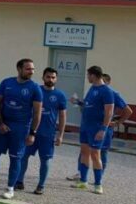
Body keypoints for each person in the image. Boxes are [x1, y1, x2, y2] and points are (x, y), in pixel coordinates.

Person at [0, 58, 43, 200]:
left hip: (21, 127)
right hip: (3, 125)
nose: (31, 72)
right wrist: (1, 123)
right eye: (28, 69)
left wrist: (32, 133)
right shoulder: (6, 83)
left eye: (33, 69)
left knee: (15, 158)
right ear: (19, 69)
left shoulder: (35, 88)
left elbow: (37, 113)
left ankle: (10, 188)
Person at [15, 67, 67, 195]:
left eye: (53, 77)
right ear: (43, 77)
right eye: (48, 77)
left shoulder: (60, 95)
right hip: (31, 131)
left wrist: (60, 135)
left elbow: (62, 116)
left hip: (48, 134)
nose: (50, 79)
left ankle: (41, 185)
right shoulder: (35, 90)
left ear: (56, 79)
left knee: (45, 160)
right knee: (24, 157)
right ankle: (19, 181)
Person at [72, 66, 116, 194]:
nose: (87, 78)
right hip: (85, 126)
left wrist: (103, 129)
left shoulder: (106, 91)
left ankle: (98, 184)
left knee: (95, 154)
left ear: (93, 75)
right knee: (84, 152)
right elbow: (88, 104)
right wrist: (78, 102)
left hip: (96, 128)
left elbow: (109, 112)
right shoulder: (92, 88)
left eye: (88, 75)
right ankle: (83, 181)